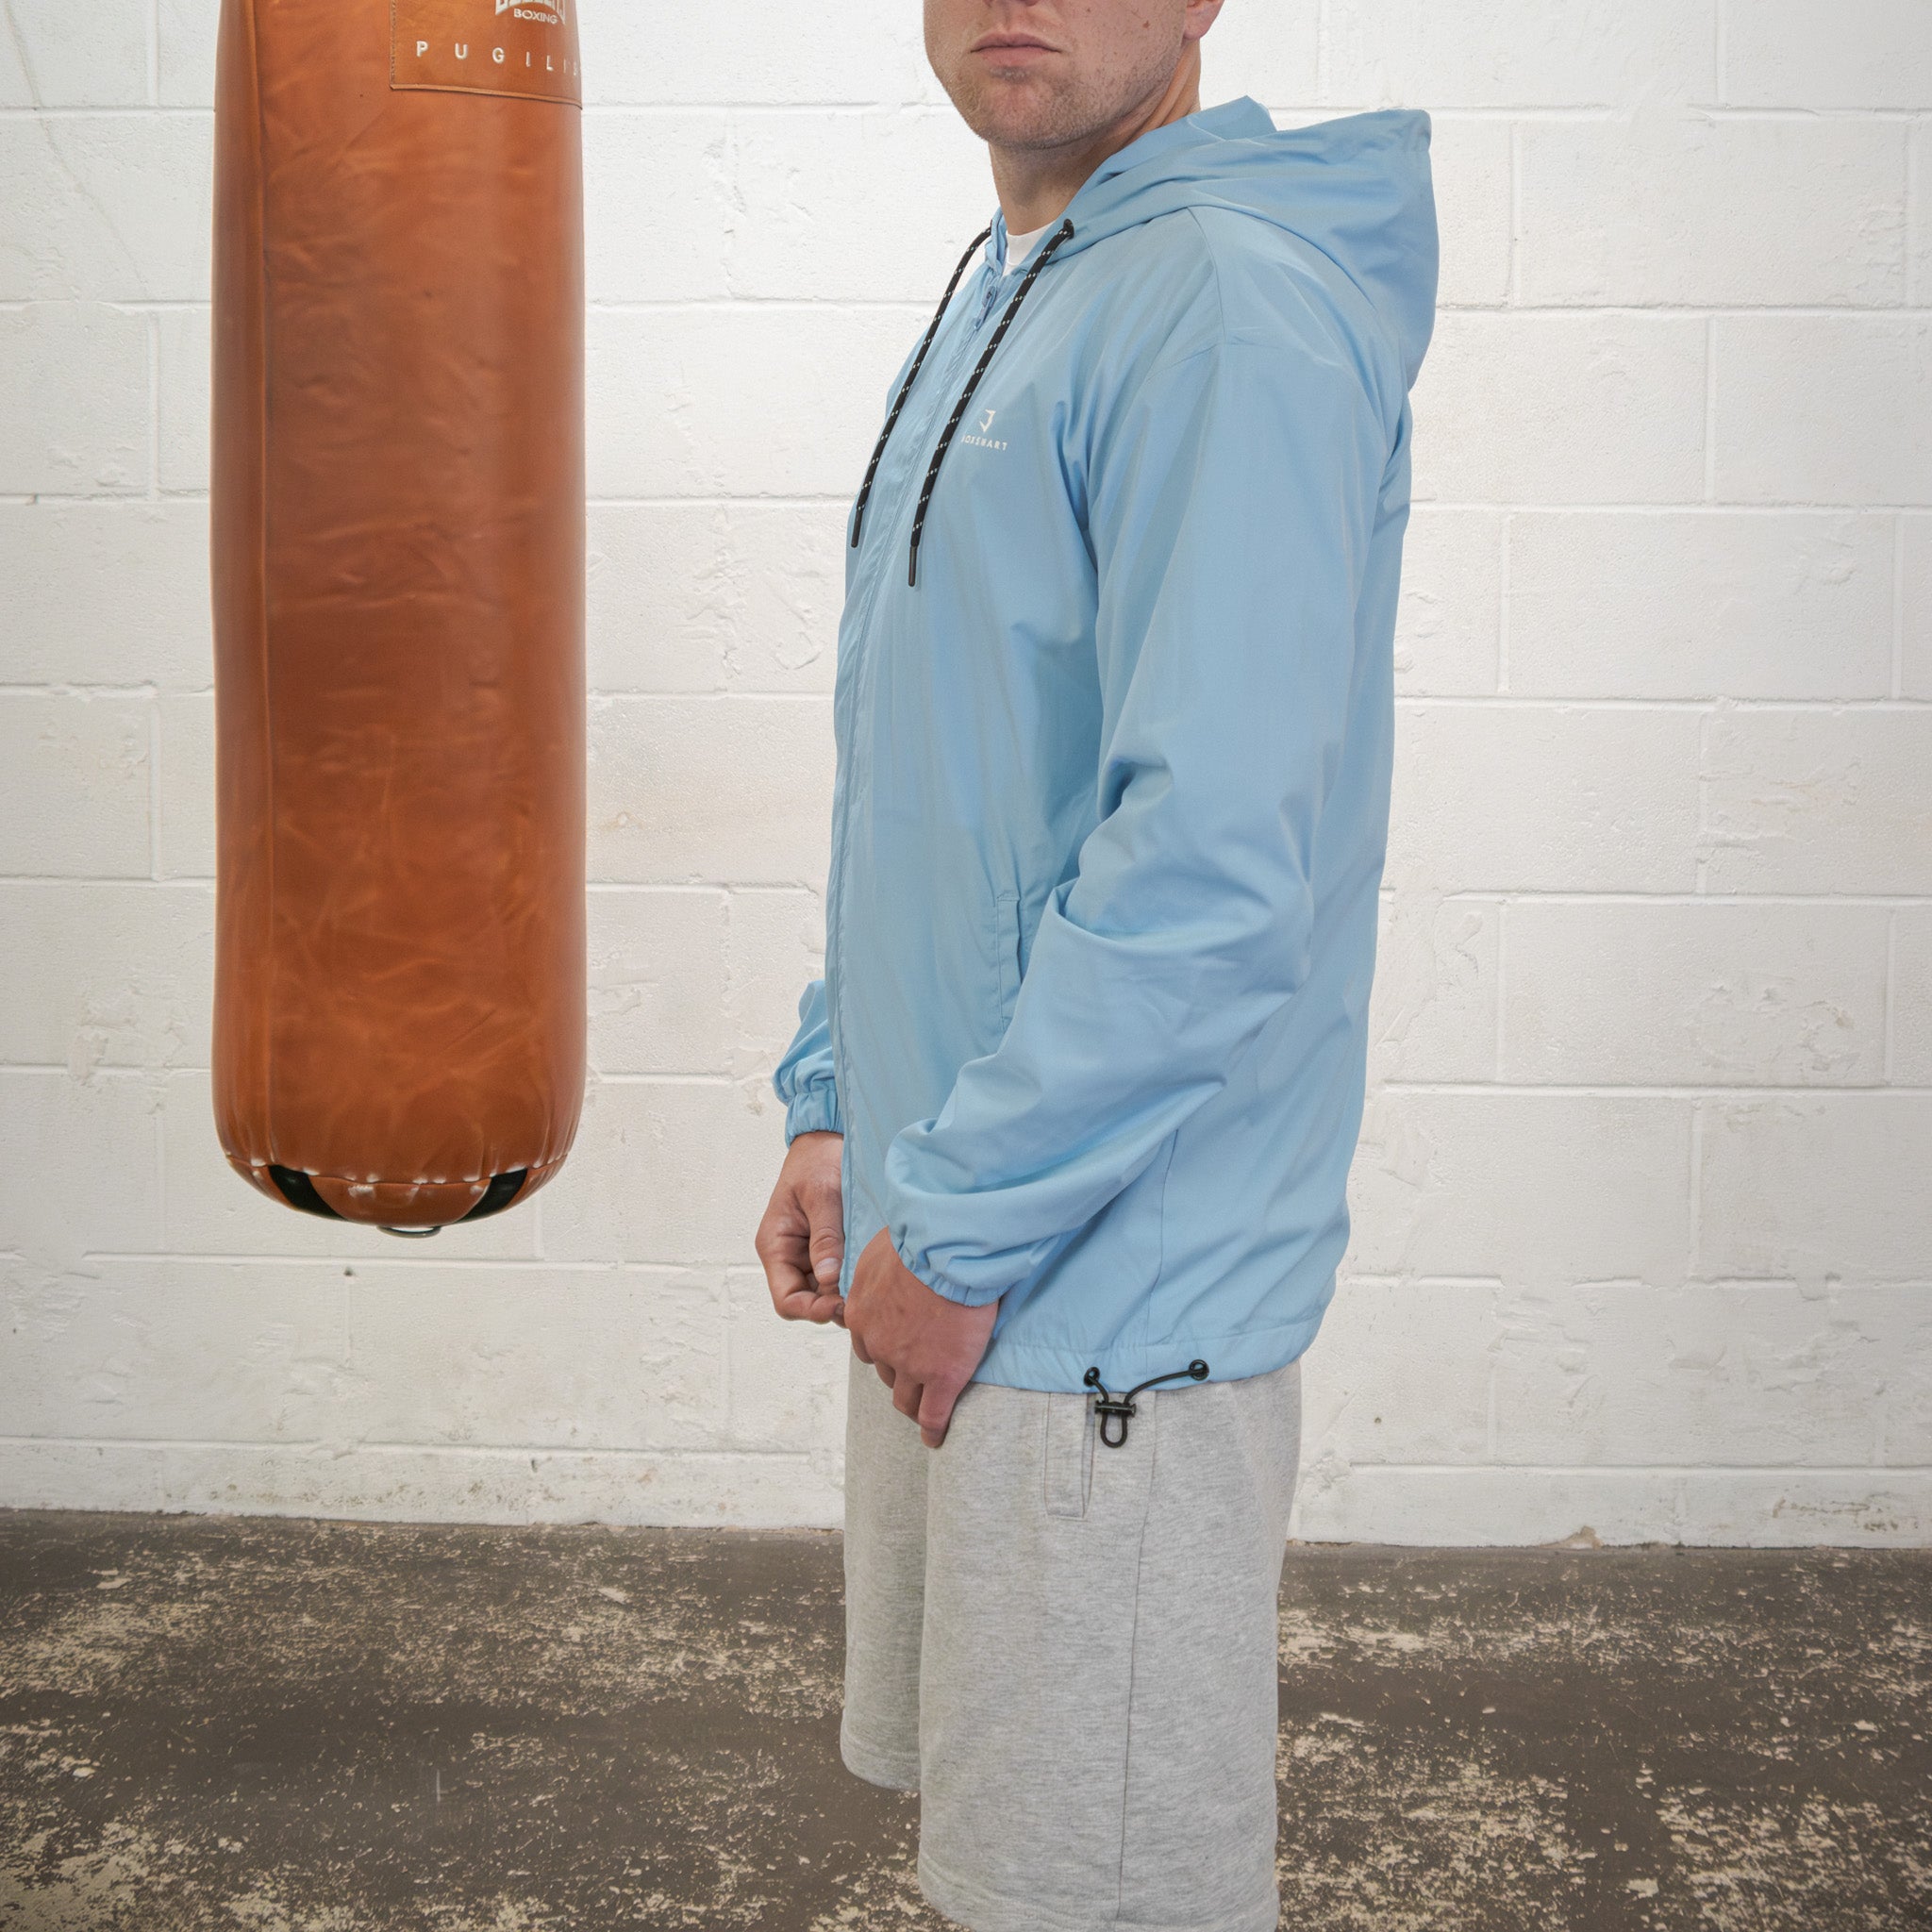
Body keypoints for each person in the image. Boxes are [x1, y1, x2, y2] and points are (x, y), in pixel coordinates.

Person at [756, 3, 1437, 1925]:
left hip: (1094, 1292)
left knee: (1097, 1888)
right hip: (962, 1216)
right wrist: (842, 1102)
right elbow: (942, 764)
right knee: (1010, 1862)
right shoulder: (1018, 275)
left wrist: (957, 1224)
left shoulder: (1223, 307)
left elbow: (1214, 865)